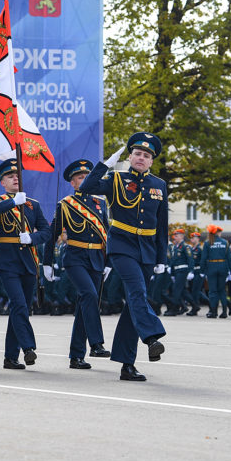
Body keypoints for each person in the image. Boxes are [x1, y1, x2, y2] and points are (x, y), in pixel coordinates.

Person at [79, 132, 167, 382]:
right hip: (122, 247)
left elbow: (162, 224)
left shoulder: (159, 185)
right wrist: (104, 165)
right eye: (138, 153)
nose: (141, 157)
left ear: (151, 161)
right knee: (137, 292)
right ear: (130, 156)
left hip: (147, 250)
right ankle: (152, 336)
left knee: (132, 308)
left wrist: (162, 257)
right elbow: (86, 188)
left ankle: (127, 365)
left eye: (147, 155)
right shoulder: (115, 178)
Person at [44, 159, 111, 369]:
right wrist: (47, 262)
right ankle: (96, 343)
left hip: (97, 259)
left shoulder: (100, 203)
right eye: (80, 178)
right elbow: (53, 234)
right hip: (75, 258)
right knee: (89, 295)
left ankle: (76, 356)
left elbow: (107, 233)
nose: (85, 180)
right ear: (72, 183)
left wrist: (109, 261)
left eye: (87, 176)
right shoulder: (65, 204)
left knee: (85, 305)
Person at [0, 159, 50, 370]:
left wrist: (32, 238)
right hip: (8, 261)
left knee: (19, 308)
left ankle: (10, 357)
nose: (15, 179)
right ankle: (28, 348)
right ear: (3, 182)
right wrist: (13, 202)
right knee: (19, 304)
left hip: (29, 261)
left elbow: (46, 232)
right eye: (10, 177)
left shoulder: (33, 204)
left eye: (17, 176)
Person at [201, 225, 231, 318]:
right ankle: (224, 312)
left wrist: (201, 270)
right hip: (223, 266)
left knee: (212, 291)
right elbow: (229, 258)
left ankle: (214, 312)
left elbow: (204, 258)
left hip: (211, 267)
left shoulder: (207, 243)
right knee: (222, 290)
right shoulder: (225, 242)